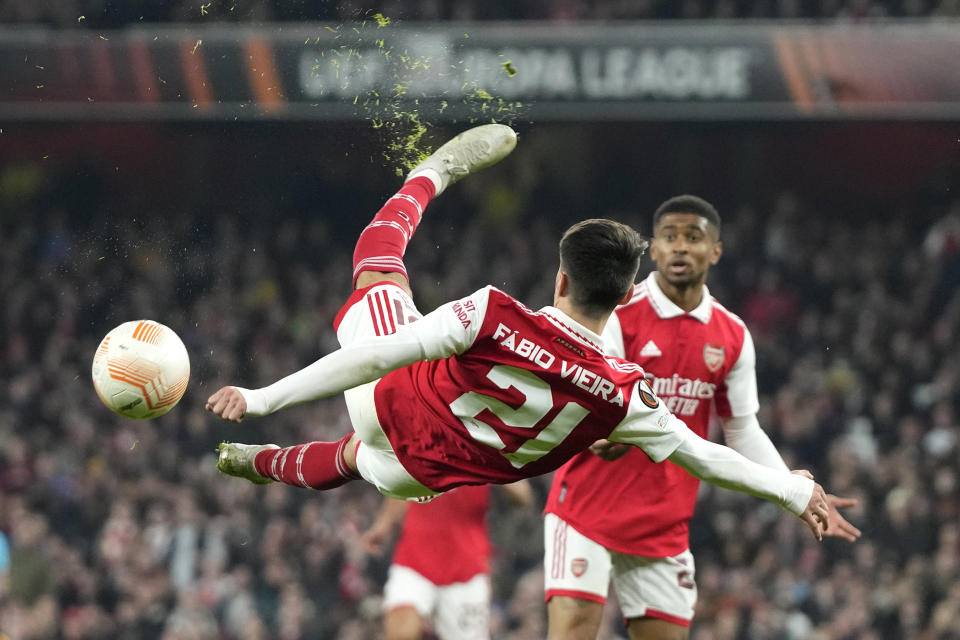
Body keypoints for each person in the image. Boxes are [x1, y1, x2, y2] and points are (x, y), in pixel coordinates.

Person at [205, 124, 831, 548]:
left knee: (377, 263)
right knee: (352, 460)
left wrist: (262, 398)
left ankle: (433, 174)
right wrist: (790, 488)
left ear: (560, 279)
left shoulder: (495, 315)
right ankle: (256, 463)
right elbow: (706, 454)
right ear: (625, 298)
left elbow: (371, 357)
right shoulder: (624, 395)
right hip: (423, 476)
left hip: (389, 409)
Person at [542, 194, 862, 640]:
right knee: (573, 630)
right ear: (652, 250)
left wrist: (792, 486)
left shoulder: (731, 333)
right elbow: (598, 409)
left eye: (693, 238)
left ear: (715, 250)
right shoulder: (619, 310)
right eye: (669, 237)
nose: (680, 247)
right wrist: (601, 431)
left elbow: (743, 429)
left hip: (664, 522)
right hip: (585, 509)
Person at [360, 481, 533, 640]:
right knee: (401, 633)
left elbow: (523, 496)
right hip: (415, 560)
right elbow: (402, 483)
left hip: (466, 571)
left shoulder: (484, 449)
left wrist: (495, 466)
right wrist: (382, 526)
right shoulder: (420, 447)